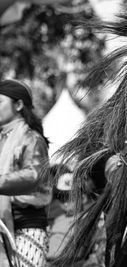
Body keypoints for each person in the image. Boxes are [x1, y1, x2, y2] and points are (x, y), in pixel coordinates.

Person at [0, 79, 51, 267]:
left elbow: (33, 176)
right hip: (3, 226)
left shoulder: (32, 139)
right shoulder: (2, 139)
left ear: (19, 105)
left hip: (27, 226)